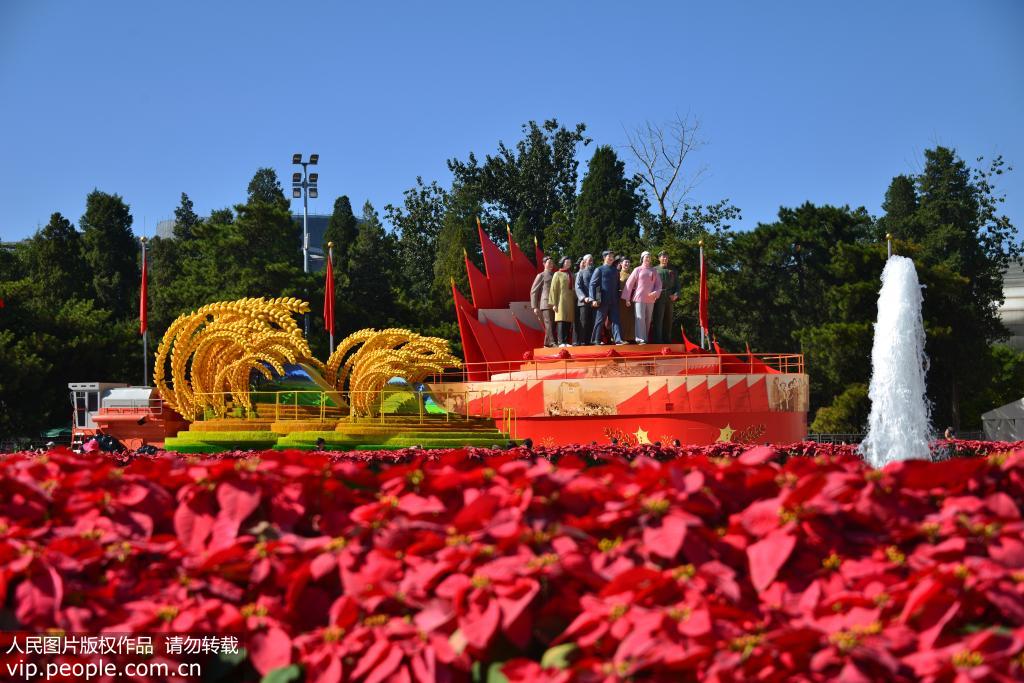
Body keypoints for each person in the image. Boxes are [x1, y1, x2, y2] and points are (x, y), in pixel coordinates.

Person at [621, 251, 662, 344]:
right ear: (642, 258)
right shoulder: (637, 269)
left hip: (650, 299)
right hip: (639, 298)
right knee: (640, 318)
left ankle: (645, 338)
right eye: (646, 257)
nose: (648, 258)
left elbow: (659, 284)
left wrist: (656, 292)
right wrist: (627, 298)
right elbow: (629, 284)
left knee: (648, 319)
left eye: (649, 257)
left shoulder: (654, 271)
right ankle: (640, 339)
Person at [589, 251, 626, 345]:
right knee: (600, 320)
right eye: (609, 256)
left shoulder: (615, 271)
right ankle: (595, 340)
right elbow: (592, 284)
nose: (611, 258)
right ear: (604, 258)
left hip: (614, 300)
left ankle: (618, 339)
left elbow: (617, 286)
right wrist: (593, 299)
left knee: (616, 320)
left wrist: (618, 296)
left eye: (612, 256)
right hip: (602, 300)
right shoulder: (599, 269)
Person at [652, 250, 680, 344]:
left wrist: (676, 295)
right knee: (658, 319)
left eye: (666, 257)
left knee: (668, 320)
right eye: (663, 257)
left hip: (669, 297)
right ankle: (658, 340)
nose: (665, 258)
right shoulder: (654, 270)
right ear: (659, 258)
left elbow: (677, 285)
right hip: (659, 297)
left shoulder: (673, 270)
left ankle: (667, 340)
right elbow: (650, 284)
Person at [549, 257, 577, 347]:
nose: (569, 263)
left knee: (568, 320)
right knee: (561, 320)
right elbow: (553, 289)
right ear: (563, 263)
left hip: (570, 301)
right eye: (567, 261)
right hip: (560, 301)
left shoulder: (571, 274)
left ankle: (566, 341)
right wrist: (553, 303)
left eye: (570, 262)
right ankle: (561, 341)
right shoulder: (557, 274)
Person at [530, 257, 557, 347]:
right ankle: (552, 342)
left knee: (553, 324)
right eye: (549, 263)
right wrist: (534, 307)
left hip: (554, 303)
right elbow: (534, 291)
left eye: (552, 263)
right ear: (544, 264)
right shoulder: (541, 275)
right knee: (548, 323)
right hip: (545, 303)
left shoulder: (555, 275)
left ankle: (546, 343)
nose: (551, 265)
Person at [574, 254, 595, 346]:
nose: (591, 261)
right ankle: (582, 341)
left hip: (593, 302)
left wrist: (597, 299)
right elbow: (577, 286)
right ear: (585, 261)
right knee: (583, 321)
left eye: (592, 260)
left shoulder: (595, 272)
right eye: (589, 260)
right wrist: (583, 297)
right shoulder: (581, 273)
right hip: (583, 302)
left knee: (592, 321)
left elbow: (598, 286)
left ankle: (589, 340)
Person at [617, 257, 635, 343]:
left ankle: (630, 338)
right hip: (621, 300)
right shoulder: (618, 274)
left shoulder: (632, 274)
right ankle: (621, 337)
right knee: (622, 318)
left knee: (630, 319)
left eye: (628, 262)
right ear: (621, 264)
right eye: (625, 262)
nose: (627, 264)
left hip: (631, 300)